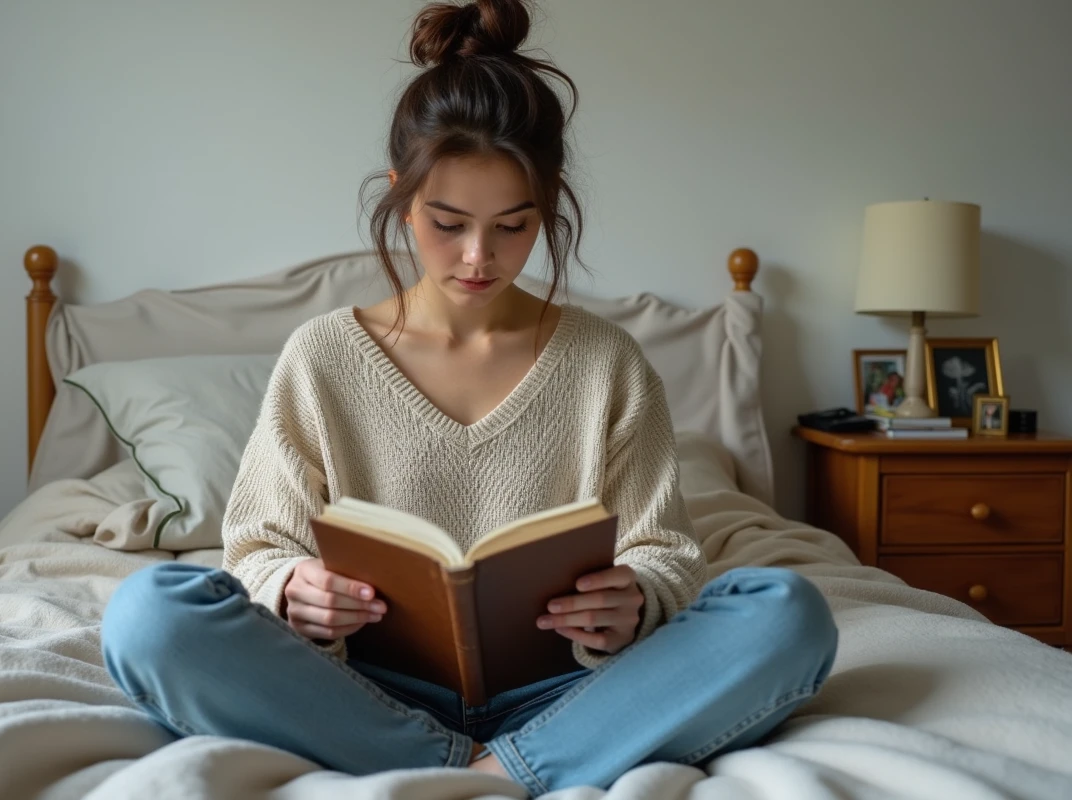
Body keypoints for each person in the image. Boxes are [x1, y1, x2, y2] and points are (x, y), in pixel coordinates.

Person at [99, 1, 838, 795]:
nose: (479, 257)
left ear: (548, 207)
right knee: (150, 614)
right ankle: (502, 776)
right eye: (447, 223)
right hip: (361, 693)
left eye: (514, 227)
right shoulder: (322, 358)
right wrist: (293, 590)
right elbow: (256, 546)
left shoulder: (606, 363)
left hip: (576, 691)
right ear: (401, 195)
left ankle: (480, 775)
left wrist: (640, 599)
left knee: (785, 611)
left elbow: (665, 553)